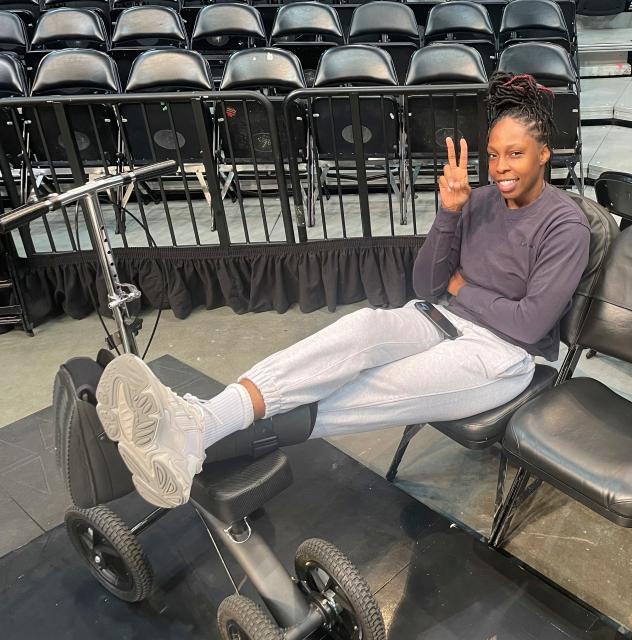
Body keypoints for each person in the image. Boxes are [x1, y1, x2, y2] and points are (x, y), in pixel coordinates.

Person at [94, 72, 592, 509]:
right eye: (495, 154)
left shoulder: (565, 224)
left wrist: (464, 287)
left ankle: (197, 435)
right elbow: (426, 284)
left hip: (505, 354)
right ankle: (197, 425)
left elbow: (528, 323)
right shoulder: (476, 200)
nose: (501, 166)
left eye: (516, 154)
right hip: (438, 316)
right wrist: (450, 212)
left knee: (371, 388)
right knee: (357, 331)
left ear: (544, 153)